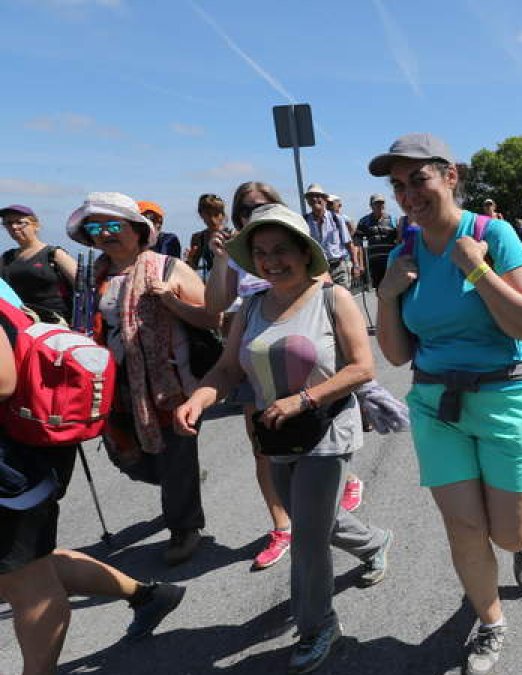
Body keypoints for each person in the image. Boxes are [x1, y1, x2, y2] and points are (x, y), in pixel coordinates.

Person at [175, 203, 393, 674]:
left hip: (326, 428)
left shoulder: (332, 298)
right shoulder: (252, 304)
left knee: (308, 538)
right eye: (261, 252)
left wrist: (304, 400)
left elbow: (362, 367)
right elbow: (230, 368)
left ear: (304, 251)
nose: (272, 260)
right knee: (316, 519)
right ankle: (375, 541)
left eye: (281, 250)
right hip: (274, 434)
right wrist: (199, 399)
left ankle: (318, 625)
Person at [370, 132, 522, 675]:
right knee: (463, 529)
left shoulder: (491, 234)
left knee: (509, 531)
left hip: (505, 398)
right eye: (397, 185)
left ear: (450, 176)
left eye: (418, 179)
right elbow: (398, 354)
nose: (407, 194)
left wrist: (477, 269)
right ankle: (490, 622)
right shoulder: (405, 252)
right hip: (435, 405)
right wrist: (386, 295)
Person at [0, 293, 187, 673]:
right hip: (24, 450)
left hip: (12, 467)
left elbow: (2, 379)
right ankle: (149, 597)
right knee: (29, 567)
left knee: (26, 580)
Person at [68, 191, 216, 566]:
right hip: (113, 387)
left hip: (169, 383)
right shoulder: (92, 278)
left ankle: (184, 527)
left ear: (137, 229)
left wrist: (172, 301)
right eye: (96, 227)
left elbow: (213, 318)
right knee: (129, 459)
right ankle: (177, 481)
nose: (105, 234)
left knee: (175, 454)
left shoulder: (167, 268)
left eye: (113, 225)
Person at [0, 204, 78, 325]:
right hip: (20, 323)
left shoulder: (54, 254)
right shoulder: (6, 258)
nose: (14, 227)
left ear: (35, 225)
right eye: (8, 223)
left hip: (54, 323)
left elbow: (83, 285)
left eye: (20, 222)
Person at [303, 184, 359, 289]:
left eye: (318, 196)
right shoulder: (304, 221)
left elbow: (349, 244)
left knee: (342, 300)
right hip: (318, 271)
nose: (315, 199)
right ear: (308, 201)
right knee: (324, 302)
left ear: (325, 200)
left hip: (339, 267)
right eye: (311, 196)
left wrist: (356, 265)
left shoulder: (337, 219)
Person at [355, 194, 398, 288]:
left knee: (394, 290)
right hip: (374, 263)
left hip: (391, 261)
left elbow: (399, 240)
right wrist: (360, 265)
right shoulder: (364, 222)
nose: (380, 206)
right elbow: (358, 244)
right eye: (377, 203)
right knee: (380, 290)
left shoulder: (393, 220)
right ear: (371, 206)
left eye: (382, 203)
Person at [186, 193, 228, 278]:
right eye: (208, 214)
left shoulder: (232, 236)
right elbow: (192, 269)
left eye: (216, 214)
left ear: (222, 215)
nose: (212, 219)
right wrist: (190, 259)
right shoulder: (198, 238)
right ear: (201, 215)